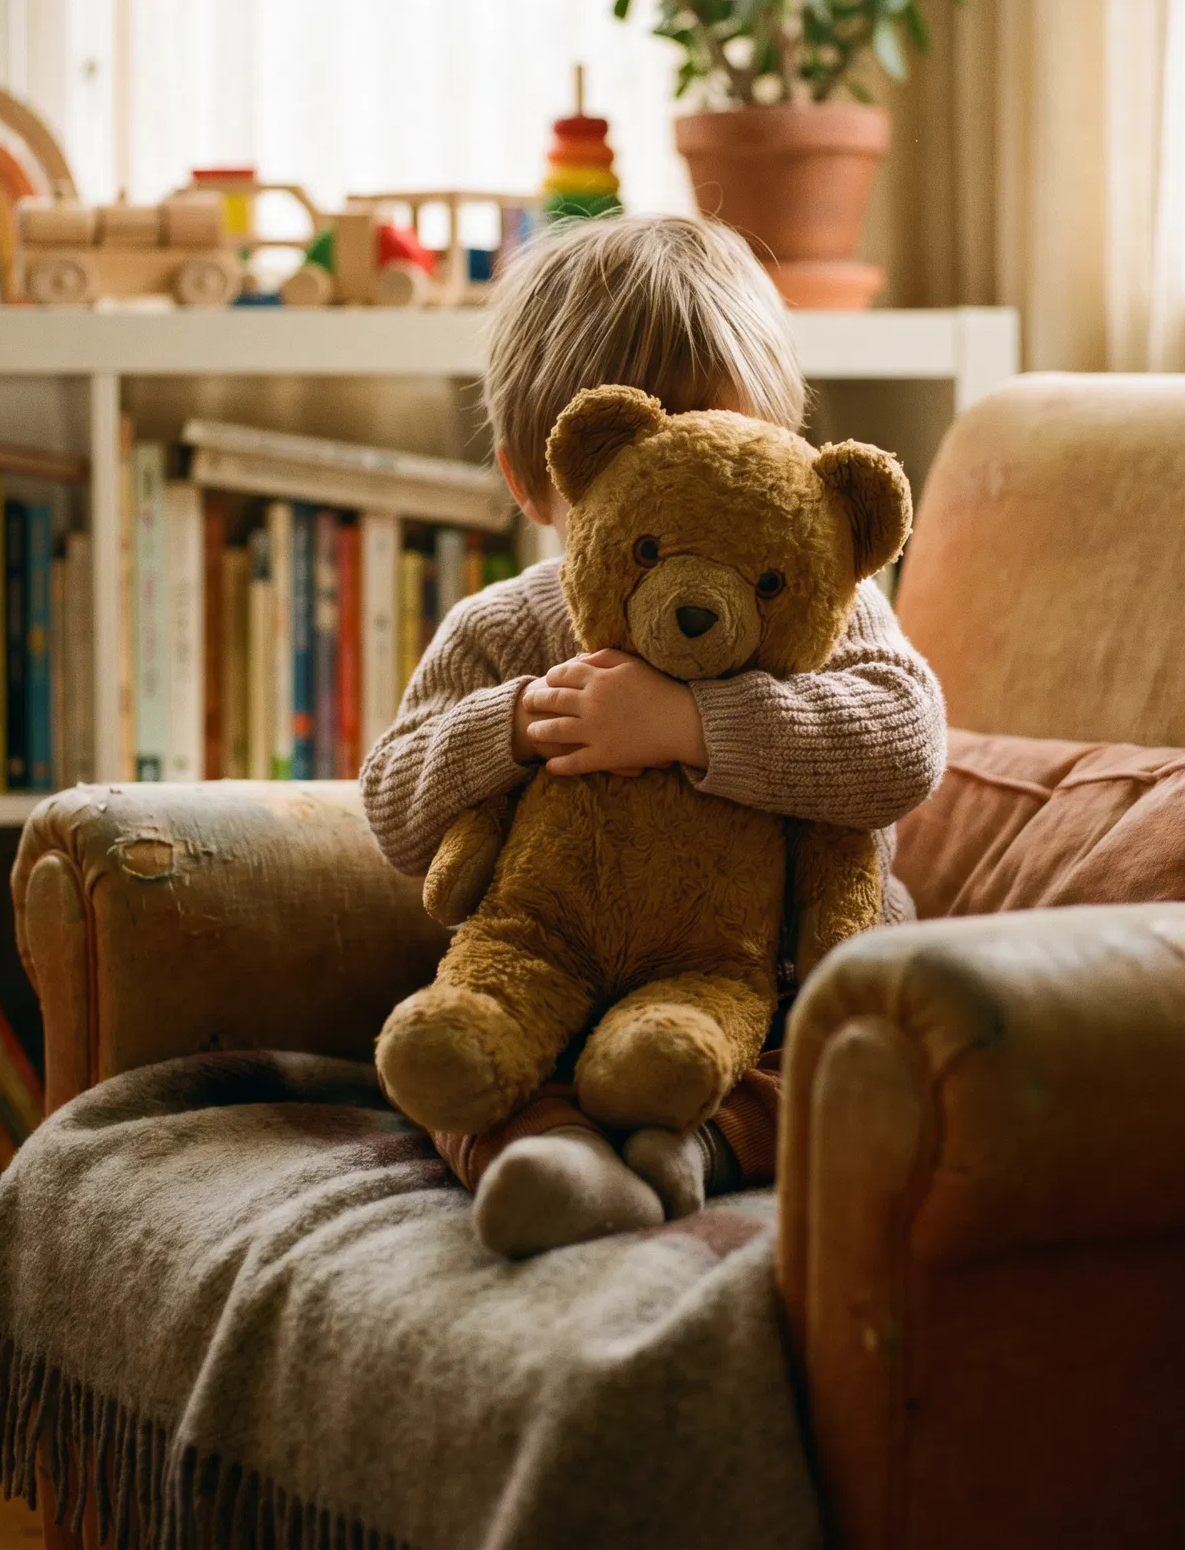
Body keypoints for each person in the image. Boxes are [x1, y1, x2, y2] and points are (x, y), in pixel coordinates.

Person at [360, 214, 946, 1257]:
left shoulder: (821, 609)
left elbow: (903, 746)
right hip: (548, 985)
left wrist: (693, 724)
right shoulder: (505, 628)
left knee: (835, 1053)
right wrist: (513, 727)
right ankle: (551, 1162)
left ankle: (699, 1151)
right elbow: (394, 808)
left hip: (758, 991)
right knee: (447, 1055)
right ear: (532, 480)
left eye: (720, 443)